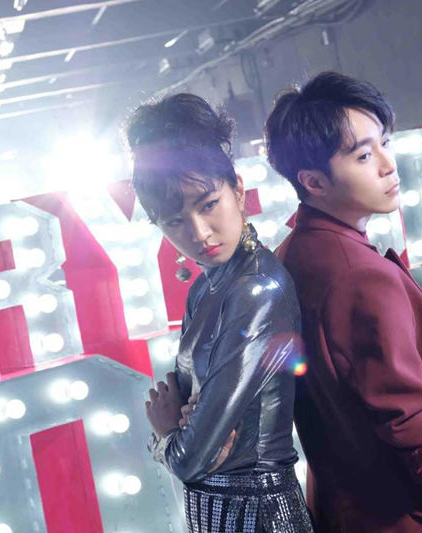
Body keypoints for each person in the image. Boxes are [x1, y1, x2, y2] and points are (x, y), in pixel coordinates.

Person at [264, 71, 422, 533]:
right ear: (313, 181)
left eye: (384, 142)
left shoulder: (291, 255)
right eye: (363, 155)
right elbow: (420, 432)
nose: (387, 165)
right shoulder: (358, 276)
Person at [125, 93, 314, 533]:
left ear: (238, 191)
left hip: (261, 513)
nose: (199, 233)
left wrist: (167, 437)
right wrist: (182, 430)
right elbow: (180, 410)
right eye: (174, 221)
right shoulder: (203, 289)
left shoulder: (257, 290)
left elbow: (189, 458)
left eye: (208, 204)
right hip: (214, 512)